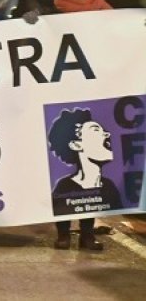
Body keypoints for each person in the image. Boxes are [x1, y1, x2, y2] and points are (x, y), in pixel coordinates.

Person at [48, 106, 121, 251]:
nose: (106, 134)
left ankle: (87, 236)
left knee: (93, 200)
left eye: (103, 131)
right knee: (63, 203)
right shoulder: (64, 185)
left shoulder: (109, 186)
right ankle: (63, 235)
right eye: (96, 130)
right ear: (76, 145)